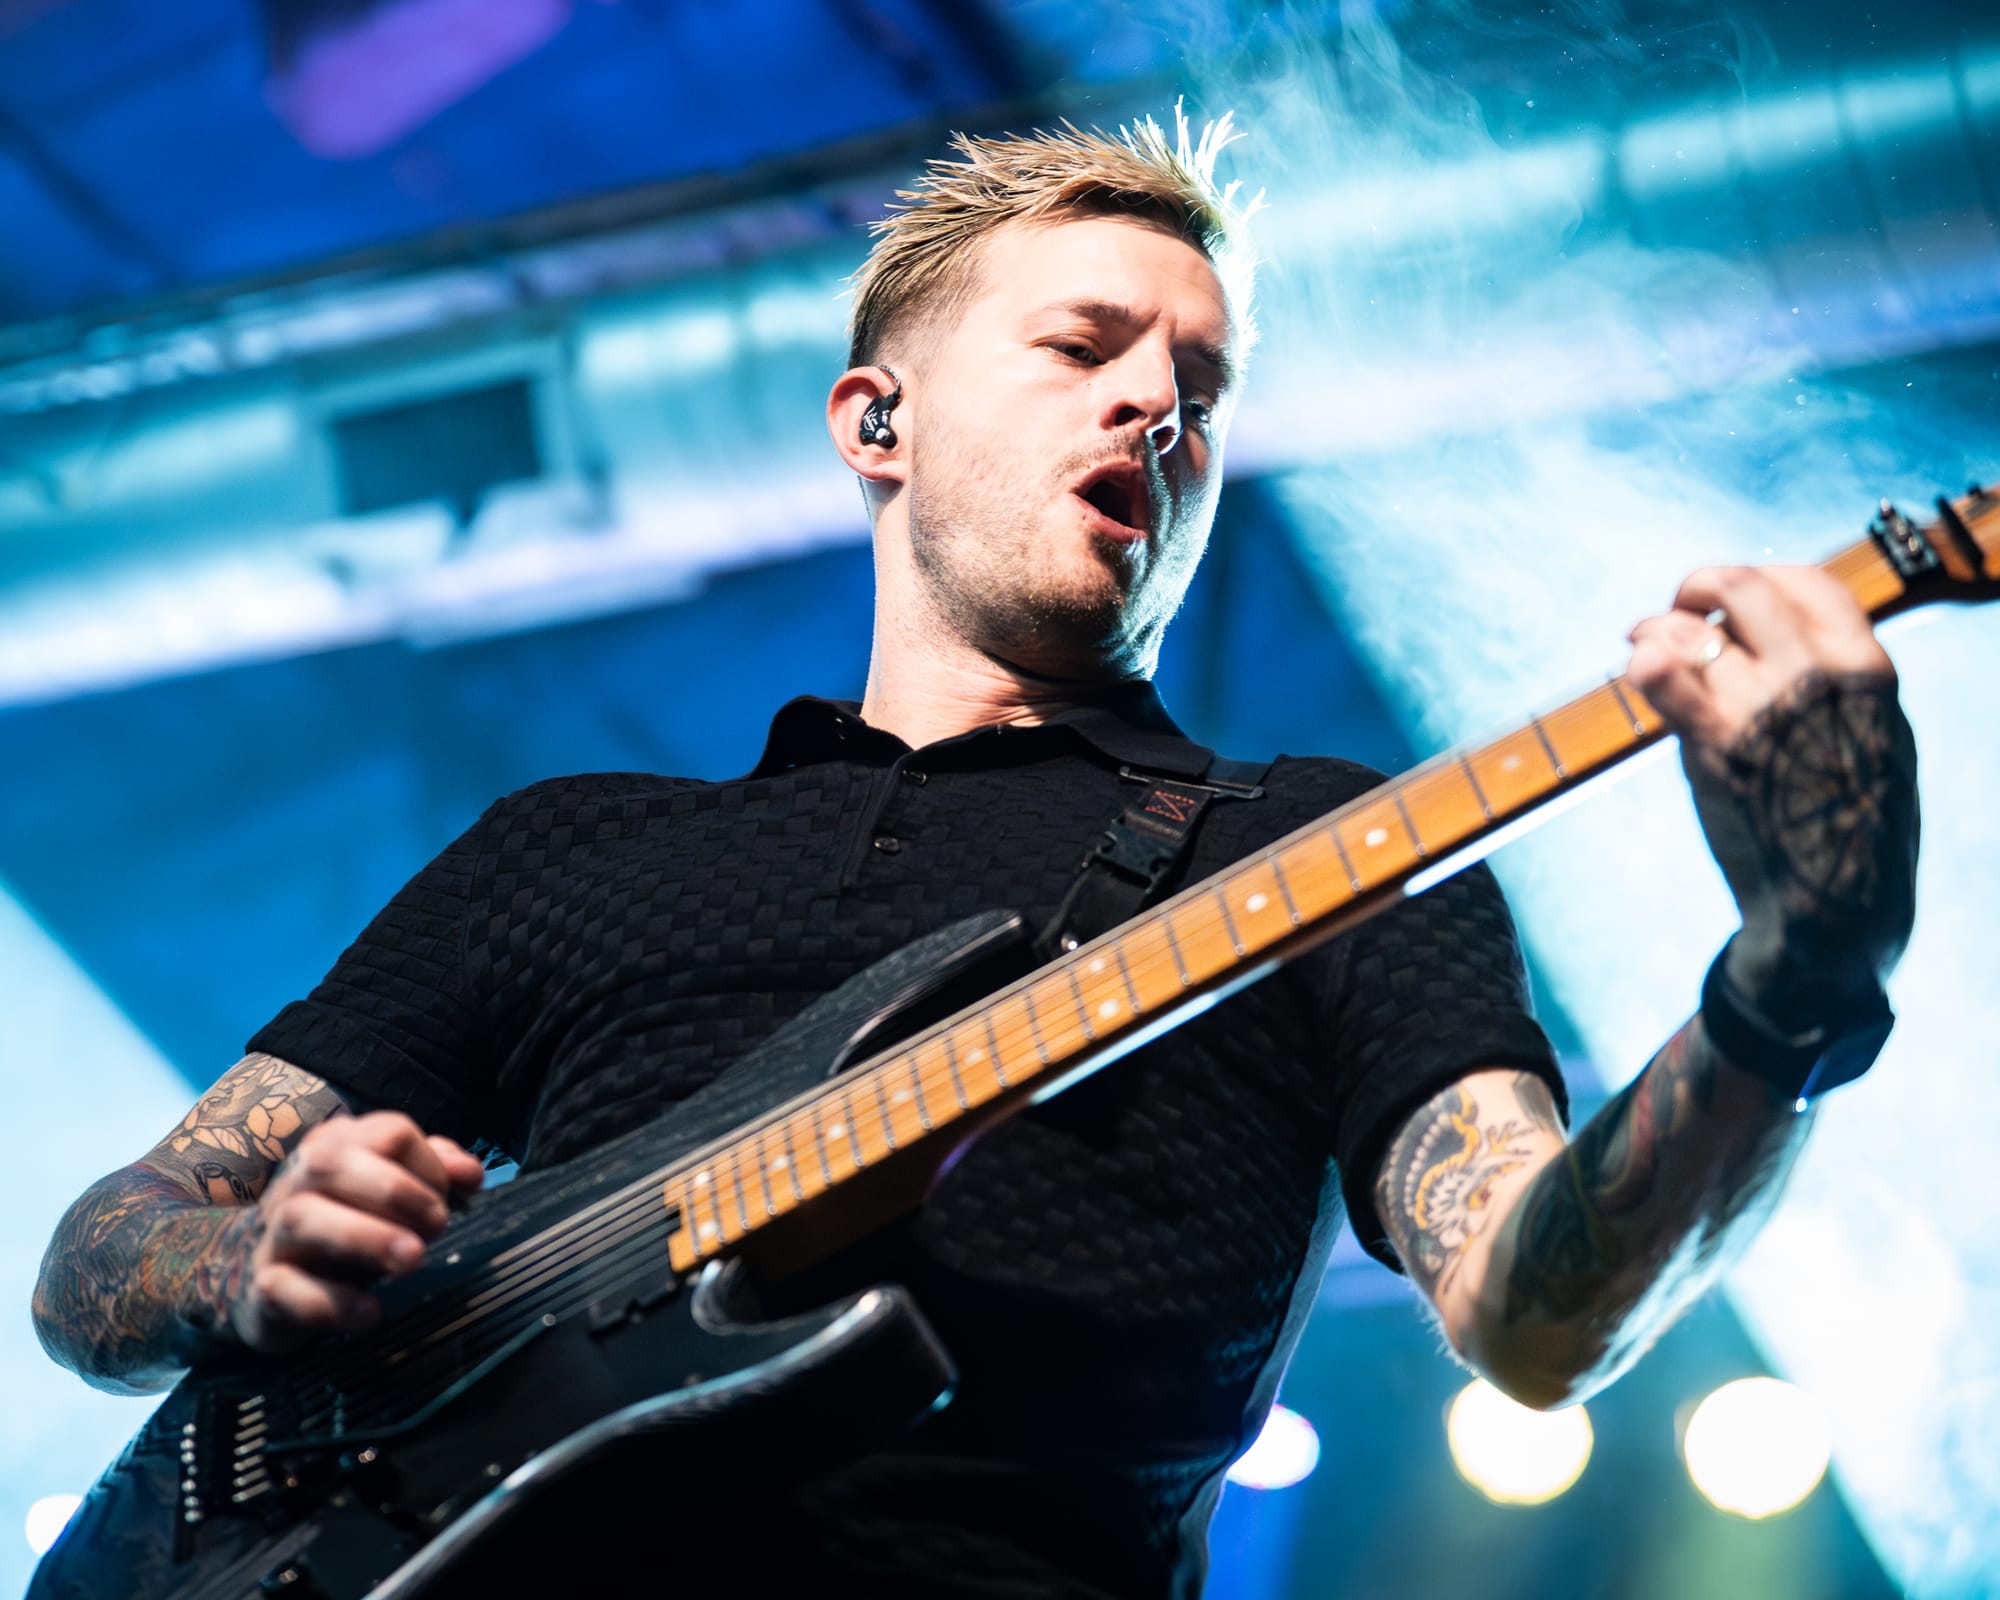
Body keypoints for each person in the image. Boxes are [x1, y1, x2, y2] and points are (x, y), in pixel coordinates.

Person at [31, 110, 1917, 1598]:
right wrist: (245, 1260)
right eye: (1083, 346)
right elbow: (99, 1252)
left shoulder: (1322, 842)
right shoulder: (568, 846)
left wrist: (1798, 978)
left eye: (1200, 389)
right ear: (879, 422)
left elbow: (1536, 1310)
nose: (1155, 405)